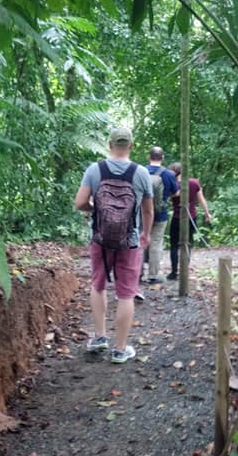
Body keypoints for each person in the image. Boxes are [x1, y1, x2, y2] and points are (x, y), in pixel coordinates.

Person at [75, 125, 153, 363]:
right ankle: (120, 350)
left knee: (98, 285)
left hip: (100, 239)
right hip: (129, 241)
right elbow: (148, 210)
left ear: (109, 145)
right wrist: (145, 234)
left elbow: (80, 203)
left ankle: (99, 337)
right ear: (131, 146)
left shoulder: (94, 169)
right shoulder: (141, 173)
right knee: (126, 294)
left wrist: (95, 208)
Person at [167, 162, 212, 281]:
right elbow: (201, 200)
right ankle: (184, 271)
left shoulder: (174, 184)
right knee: (187, 244)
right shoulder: (194, 183)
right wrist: (207, 213)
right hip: (191, 217)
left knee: (174, 245)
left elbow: (167, 197)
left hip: (177, 217)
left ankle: (173, 272)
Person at [144, 146, 179, 284]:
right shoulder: (168, 174)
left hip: (142, 212)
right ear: (162, 158)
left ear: (149, 156)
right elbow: (176, 192)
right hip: (160, 213)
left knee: (141, 241)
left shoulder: (142, 171)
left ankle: (138, 273)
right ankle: (153, 275)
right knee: (156, 242)